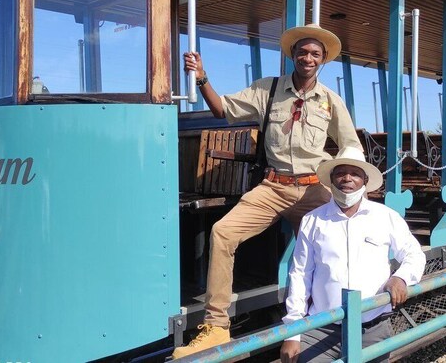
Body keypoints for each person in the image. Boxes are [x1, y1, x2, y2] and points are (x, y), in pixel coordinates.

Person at [172, 24, 362, 358]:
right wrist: (202, 78)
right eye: (302, 51)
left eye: (315, 54)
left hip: (314, 189)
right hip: (273, 187)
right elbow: (222, 110)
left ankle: (336, 318)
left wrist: (348, 186)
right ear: (293, 55)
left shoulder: (330, 102)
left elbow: (350, 145)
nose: (308, 57)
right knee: (222, 233)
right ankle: (216, 327)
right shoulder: (268, 91)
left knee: (334, 248)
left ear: (323, 60)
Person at [280, 147, 426, 363]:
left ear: (365, 180)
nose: (347, 178)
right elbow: (300, 275)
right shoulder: (312, 221)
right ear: (331, 179)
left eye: (355, 173)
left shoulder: (385, 217)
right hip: (321, 329)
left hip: (372, 327)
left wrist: (401, 277)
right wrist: (293, 332)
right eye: (340, 173)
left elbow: (414, 253)